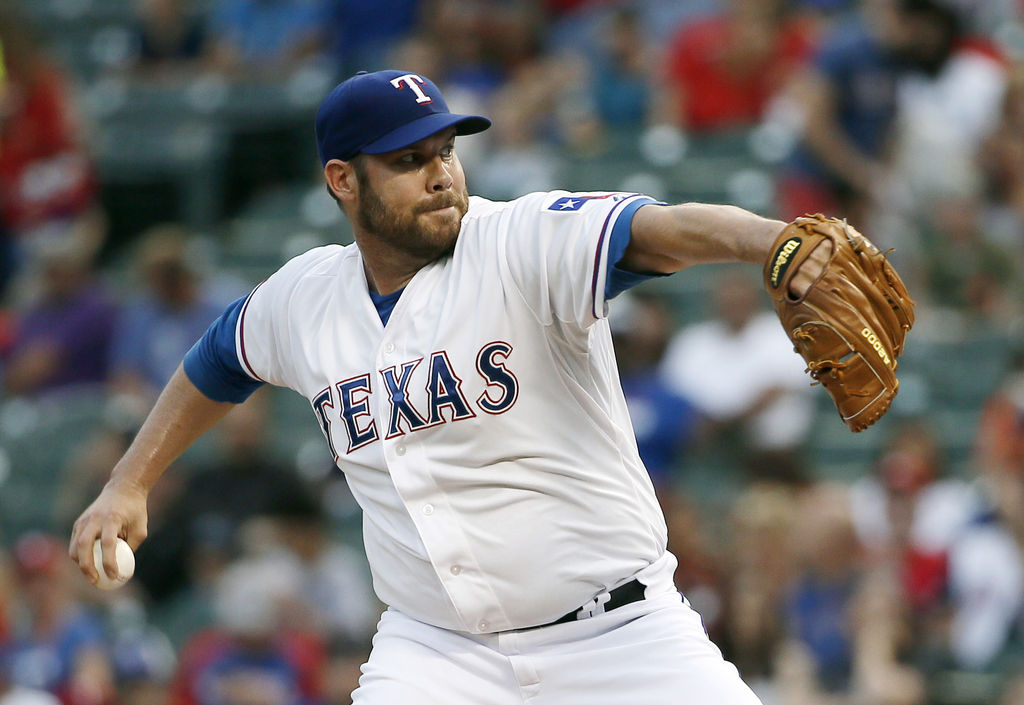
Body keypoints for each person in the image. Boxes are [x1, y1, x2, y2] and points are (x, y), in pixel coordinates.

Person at [69, 69, 832, 704]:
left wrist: (765, 240)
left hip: (619, 636)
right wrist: (127, 484)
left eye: (445, 151)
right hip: (438, 653)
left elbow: (652, 229)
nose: (439, 173)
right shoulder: (303, 300)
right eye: (407, 160)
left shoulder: (519, 240)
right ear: (342, 180)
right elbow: (214, 362)